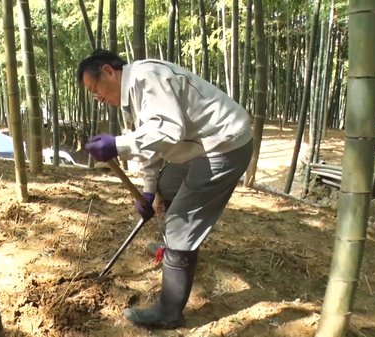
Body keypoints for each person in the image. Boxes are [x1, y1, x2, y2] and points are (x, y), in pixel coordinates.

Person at [78, 49, 253, 329]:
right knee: (166, 184)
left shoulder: (147, 78)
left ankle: (169, 311)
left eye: (95, 88)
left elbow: (168, 131)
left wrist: (117, 145)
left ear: (109, 71)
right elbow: (151, 143)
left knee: (179, 224)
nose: (97, 97)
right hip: (197, 146)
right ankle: (173, 251)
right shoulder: (132, 96)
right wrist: (148, 190)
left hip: (224, 144)